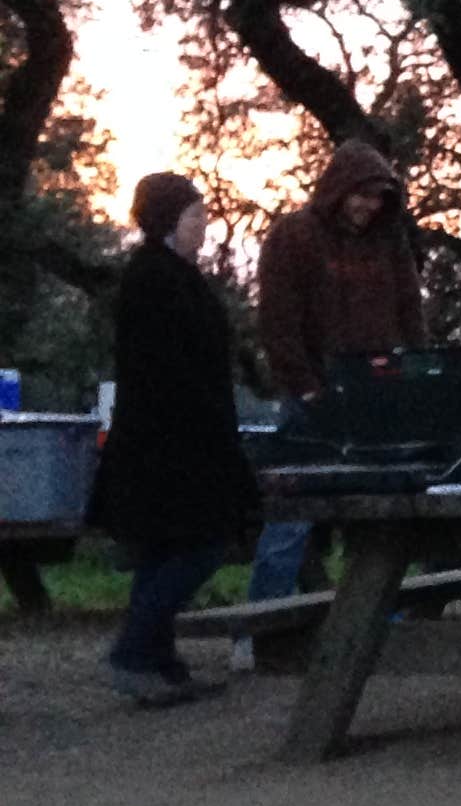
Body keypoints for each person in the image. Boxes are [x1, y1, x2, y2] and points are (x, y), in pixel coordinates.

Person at [84, 174, 257, 705]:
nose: (203, 227)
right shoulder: (152, 279)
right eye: (193, 217)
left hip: (177, 437)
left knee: (165, 549)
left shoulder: (174, 275)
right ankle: (134, 652)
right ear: (166, 220)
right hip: (169, 442)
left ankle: (159, 661)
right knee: (202, 545)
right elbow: (167, 364)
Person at [247, 139, 423, 602]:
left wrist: (415, 371)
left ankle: (373, 617)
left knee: (378, 517)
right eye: (362, 194)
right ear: (339, 189)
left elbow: (410, 310)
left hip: (376, 395)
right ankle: (259, 629)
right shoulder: (294, 236)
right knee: (290, 518)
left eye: (379, 197)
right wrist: (304, 387)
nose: (369, 206)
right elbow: (277, 321)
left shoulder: (391, 241)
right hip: (311, 399)